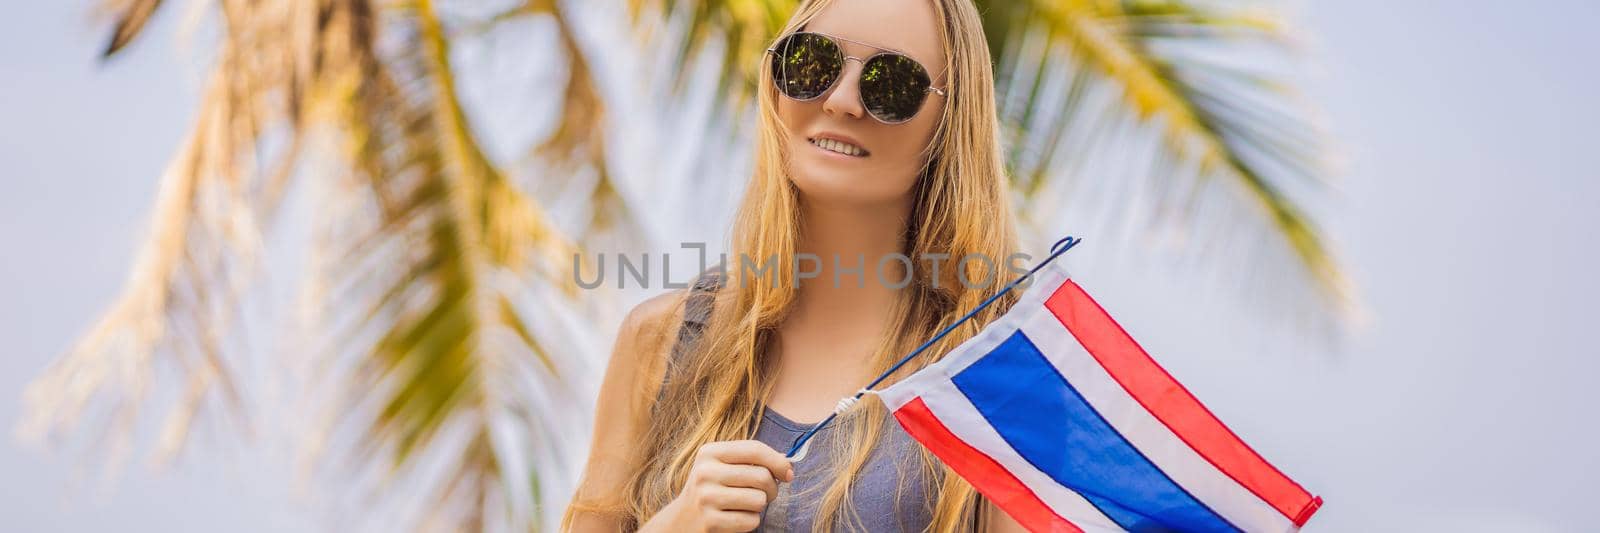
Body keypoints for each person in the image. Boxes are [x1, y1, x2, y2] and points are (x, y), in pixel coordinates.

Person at [564, 0, 1028, 530]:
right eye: (812, 62)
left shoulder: (1000, 366)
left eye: (893, 84)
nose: (842, 100)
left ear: (950, 121)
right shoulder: (662, 341)